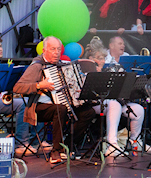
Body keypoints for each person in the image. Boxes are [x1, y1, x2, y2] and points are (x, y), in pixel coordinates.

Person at [13, 36, 98, 164]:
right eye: (53, 49)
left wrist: (77, 89)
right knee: (60, 109)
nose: (56, 52)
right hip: (39, 107)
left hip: (63, 105)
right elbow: (17, 87)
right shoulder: (37, 66)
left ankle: (67, 145)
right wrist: (39, 86)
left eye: (58, 49)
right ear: (44, 50)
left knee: (88, 112)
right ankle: (56, 151)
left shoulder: (63, 65)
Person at [85, 43, 149, 156]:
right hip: (93, 104)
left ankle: (134, 141)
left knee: (138, 109)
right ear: (90, 59)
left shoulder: (106, 71)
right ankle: (112, 144)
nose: (103, 61)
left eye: (104, 58)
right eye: (99, 58)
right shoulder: (85, 71)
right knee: (114, 105)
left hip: (112, 103)